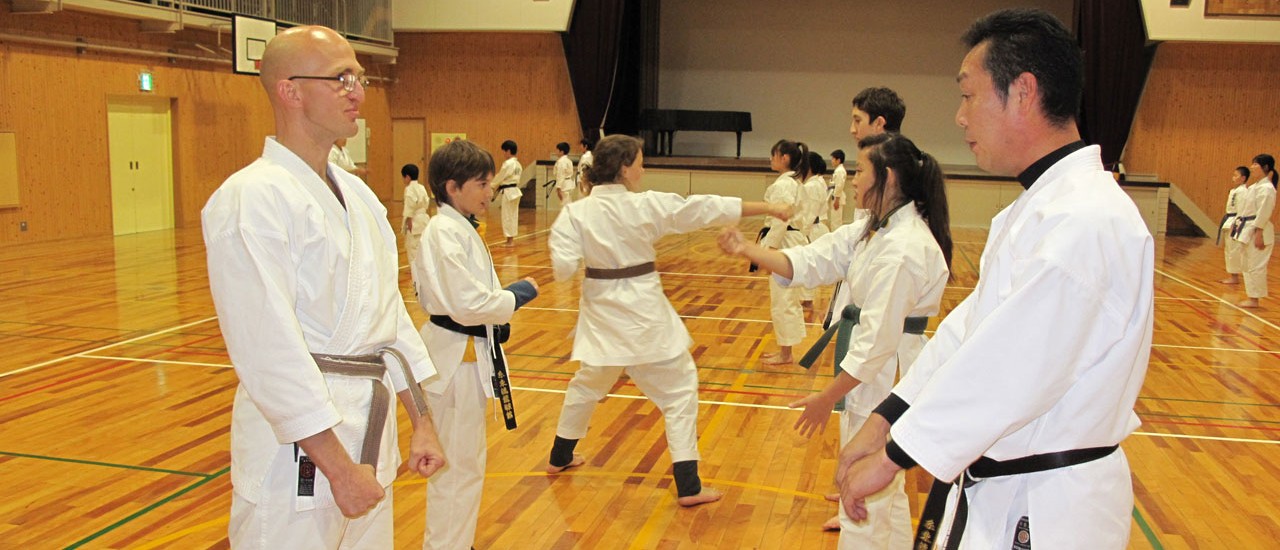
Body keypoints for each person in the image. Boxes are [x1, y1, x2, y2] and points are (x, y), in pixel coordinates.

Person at [837, 9, 1155, 550]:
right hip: (1010, 491)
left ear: (1023, 92)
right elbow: (969, 335)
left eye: (968, 95)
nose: (960, 117)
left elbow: (1011, 367)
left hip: (1046, 506)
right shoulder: (1041, 208)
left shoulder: (1086, 221)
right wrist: (890, 414)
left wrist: (894, 457)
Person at [201, 25, 446, 549]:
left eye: (357, 77)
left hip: (368, 435)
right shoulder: (251, 198)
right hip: (299, 454)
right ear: (289, 90)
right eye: (341, 78)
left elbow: (390, 318)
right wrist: (335, 466)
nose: (357, 90)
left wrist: (420, 419)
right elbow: (268, 349)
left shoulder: (357, 194)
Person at [720, 132, 951, 549]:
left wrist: (827, 396)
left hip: (886, 375)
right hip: (875, 372)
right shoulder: (874, 229)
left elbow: (877, 344)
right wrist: (748, 250)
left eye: (862, 171)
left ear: (889, 177)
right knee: (884, 494)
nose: (853, 180)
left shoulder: (903, 247)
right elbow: (815, 258)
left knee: (863, 489)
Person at [544, 134, 791, 507]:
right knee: (678, 392)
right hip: (643, 314)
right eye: (640, 161)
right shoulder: (645, 206)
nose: (643, 168)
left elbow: (563, 269)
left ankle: (560, 455)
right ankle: (688, 485)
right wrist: (768, 208)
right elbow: (701, 208)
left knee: (588, 382)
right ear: (625, 168)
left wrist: (581, 254)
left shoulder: (575, 212)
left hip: (601, 315)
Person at [413, 139, 540, 550]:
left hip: (465, 357)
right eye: (482, 184)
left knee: (466, 462)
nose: (490, 192)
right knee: (455, 464)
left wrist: (498, 304)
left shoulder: (457, 227)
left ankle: (455, 542)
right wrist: (514, 296)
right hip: (453, 359)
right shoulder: (443, 231)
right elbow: (468, 304)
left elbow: (469, 298)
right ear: (453, 187)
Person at [758, 139, 811, 365]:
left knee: (783, 298)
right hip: (790, 240)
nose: (771, 159)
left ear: (785, 158)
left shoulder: (784, 185)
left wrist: (769, 250)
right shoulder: (793, 183)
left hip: (784, 242)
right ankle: (785, 350)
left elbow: (781, 219)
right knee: (786, 298)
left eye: (774, 154)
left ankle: (786, 354)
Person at [1235, 154, 1277, 308]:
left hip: (1260, 230)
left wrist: (1259, 232)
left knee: (1256, 265)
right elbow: (1245, 210)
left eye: (1255, 165)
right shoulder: (1253, 187)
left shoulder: (1267, 189)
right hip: (1247, 228)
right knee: (1246, 264)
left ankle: (1255, 299)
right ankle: (1251, 296)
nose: (1252, 167)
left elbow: (1264, 212)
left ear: (1265, 168)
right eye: (1252, 164)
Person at [1219, 166, 1250, 284]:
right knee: (1229, 249)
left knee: (1234, 250)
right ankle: (1232, 275)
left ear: (1243, 178)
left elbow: (1241, 209)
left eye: (1236, 175)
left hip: (1235, 220)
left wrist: (1237, 224)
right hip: (1229, 219)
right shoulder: (1234, 191)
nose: (1233, 178)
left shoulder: (1242, 191)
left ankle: (1235, 276)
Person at [402, 163, 430, 283]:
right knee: (422, 244)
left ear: (407, 177)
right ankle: (424, 266)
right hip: (424, 218)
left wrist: (408, 220)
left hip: (414, 219)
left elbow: (409, 205)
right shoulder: (421, 187)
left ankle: (415, 267)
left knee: (412, 245)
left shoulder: (409, 189)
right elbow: (426, 202)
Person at [493, 139, 523, 247]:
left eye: (504, 151)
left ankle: (509, 241)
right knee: (513, 215)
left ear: (508, 151)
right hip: (515, 191)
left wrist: (491, 185)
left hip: (509, 192)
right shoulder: (518, 164)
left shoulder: (508, 164)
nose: (504, 154)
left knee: (507, 216)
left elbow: (501, 176)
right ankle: (511, 239)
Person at [828, 149, 848, 230]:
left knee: (836, 223)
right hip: (835, 197)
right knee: (834, 221)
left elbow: (839, 186)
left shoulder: (840, 171)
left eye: (833, 159)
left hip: (837, 199)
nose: (831, 161)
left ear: (838, 160)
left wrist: (837, 200)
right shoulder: (838, 170)